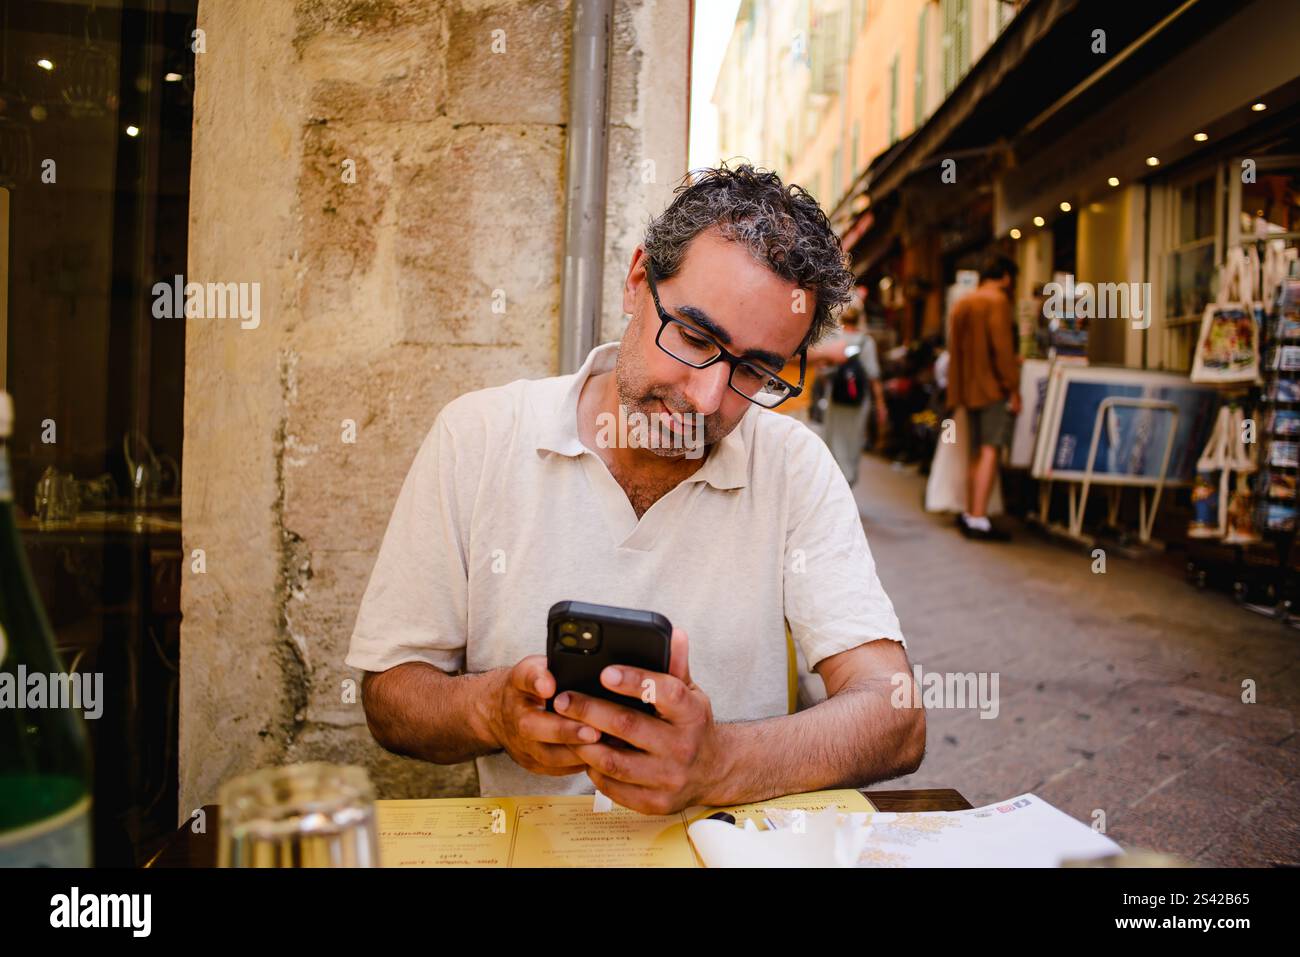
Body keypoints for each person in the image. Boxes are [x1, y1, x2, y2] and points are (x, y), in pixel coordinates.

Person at [346, 164, 923, 814]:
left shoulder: (794, 468)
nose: (706, 398)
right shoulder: (478, 437)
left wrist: (720, 764)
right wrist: (489, 711)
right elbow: (390, 697)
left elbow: (895, 715)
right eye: (696, 337)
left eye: (755, 371)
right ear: (636, 279)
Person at [947, 254, 1021, 541]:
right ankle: (978, 517)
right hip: (992, 388)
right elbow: (1002, 350)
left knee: (976, 452)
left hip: (967, 389)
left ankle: (970, 512)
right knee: (991, 449)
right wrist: (1013, 387)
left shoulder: (965, 302)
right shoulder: (997, 301)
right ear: (1005, 276)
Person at [807, 295, 885, 487]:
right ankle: (847, 481)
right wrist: (881, 405)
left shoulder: (834, 338)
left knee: (832, 436)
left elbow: (822, 371)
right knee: (853, 439)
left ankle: (831, 481)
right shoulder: (866, 342)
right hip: (859, 401)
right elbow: (873, 377)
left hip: (835, 396)